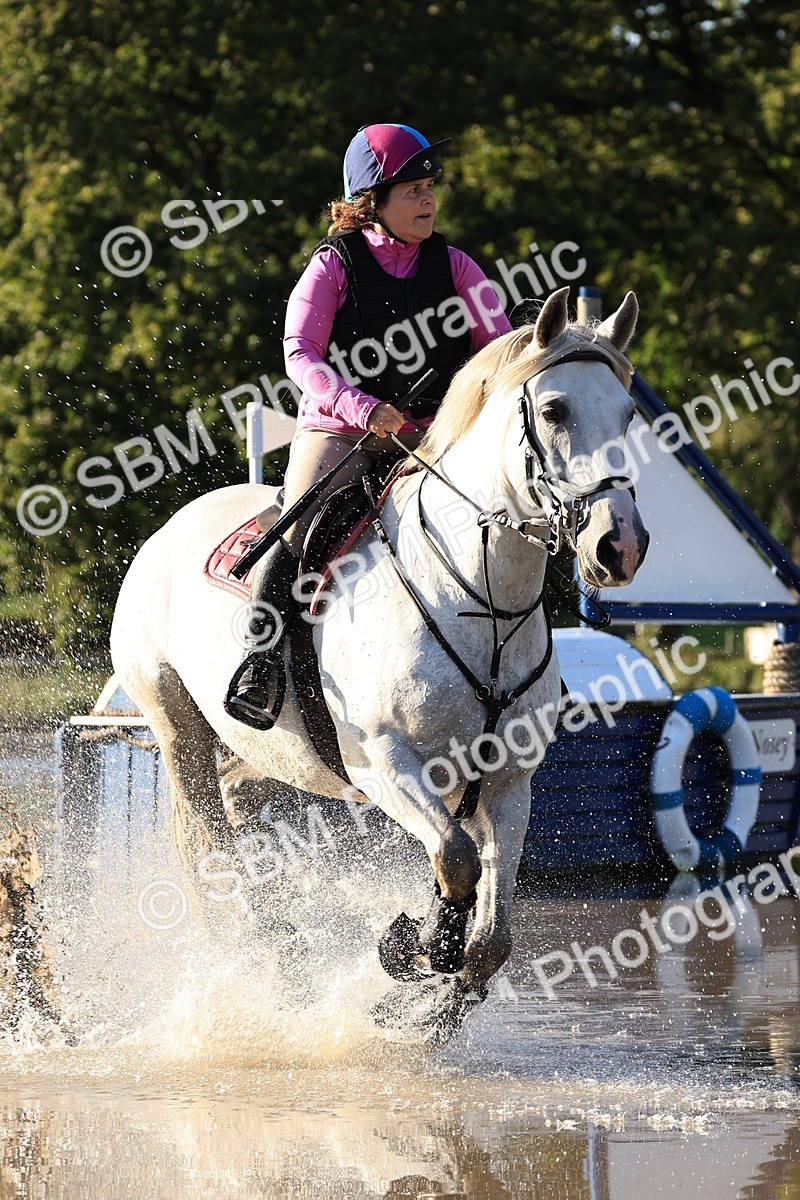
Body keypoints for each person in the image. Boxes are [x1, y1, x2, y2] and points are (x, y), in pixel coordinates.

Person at [225, 122, 512, 729]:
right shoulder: (335, 265)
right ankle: (260, 662)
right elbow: (299, 354)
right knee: (298, 528)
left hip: (433, 436)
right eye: (412, 191)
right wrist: (362, 409)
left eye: (430, 187)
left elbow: (502, 353)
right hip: (341, 434)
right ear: (371, 203)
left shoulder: (458, 266)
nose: (429, 200)